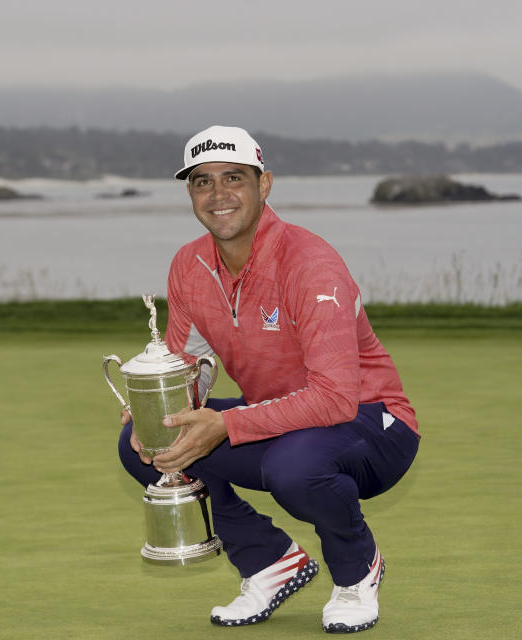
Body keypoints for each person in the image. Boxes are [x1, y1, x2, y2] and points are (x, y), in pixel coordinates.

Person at [117, 125, 420, 634]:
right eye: (201, 182)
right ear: (189, 192)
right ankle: (270, 563)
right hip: (281, 420)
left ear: (265, 184)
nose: (218, 195)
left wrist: (226, 424)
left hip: (374, 425)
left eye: (233, 178)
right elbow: (187, 361)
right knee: (147, 442)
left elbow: (335, 400)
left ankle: (356, 570)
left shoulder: (310, 264)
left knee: (294, 465)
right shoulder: (190, 264)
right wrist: (154, 410)